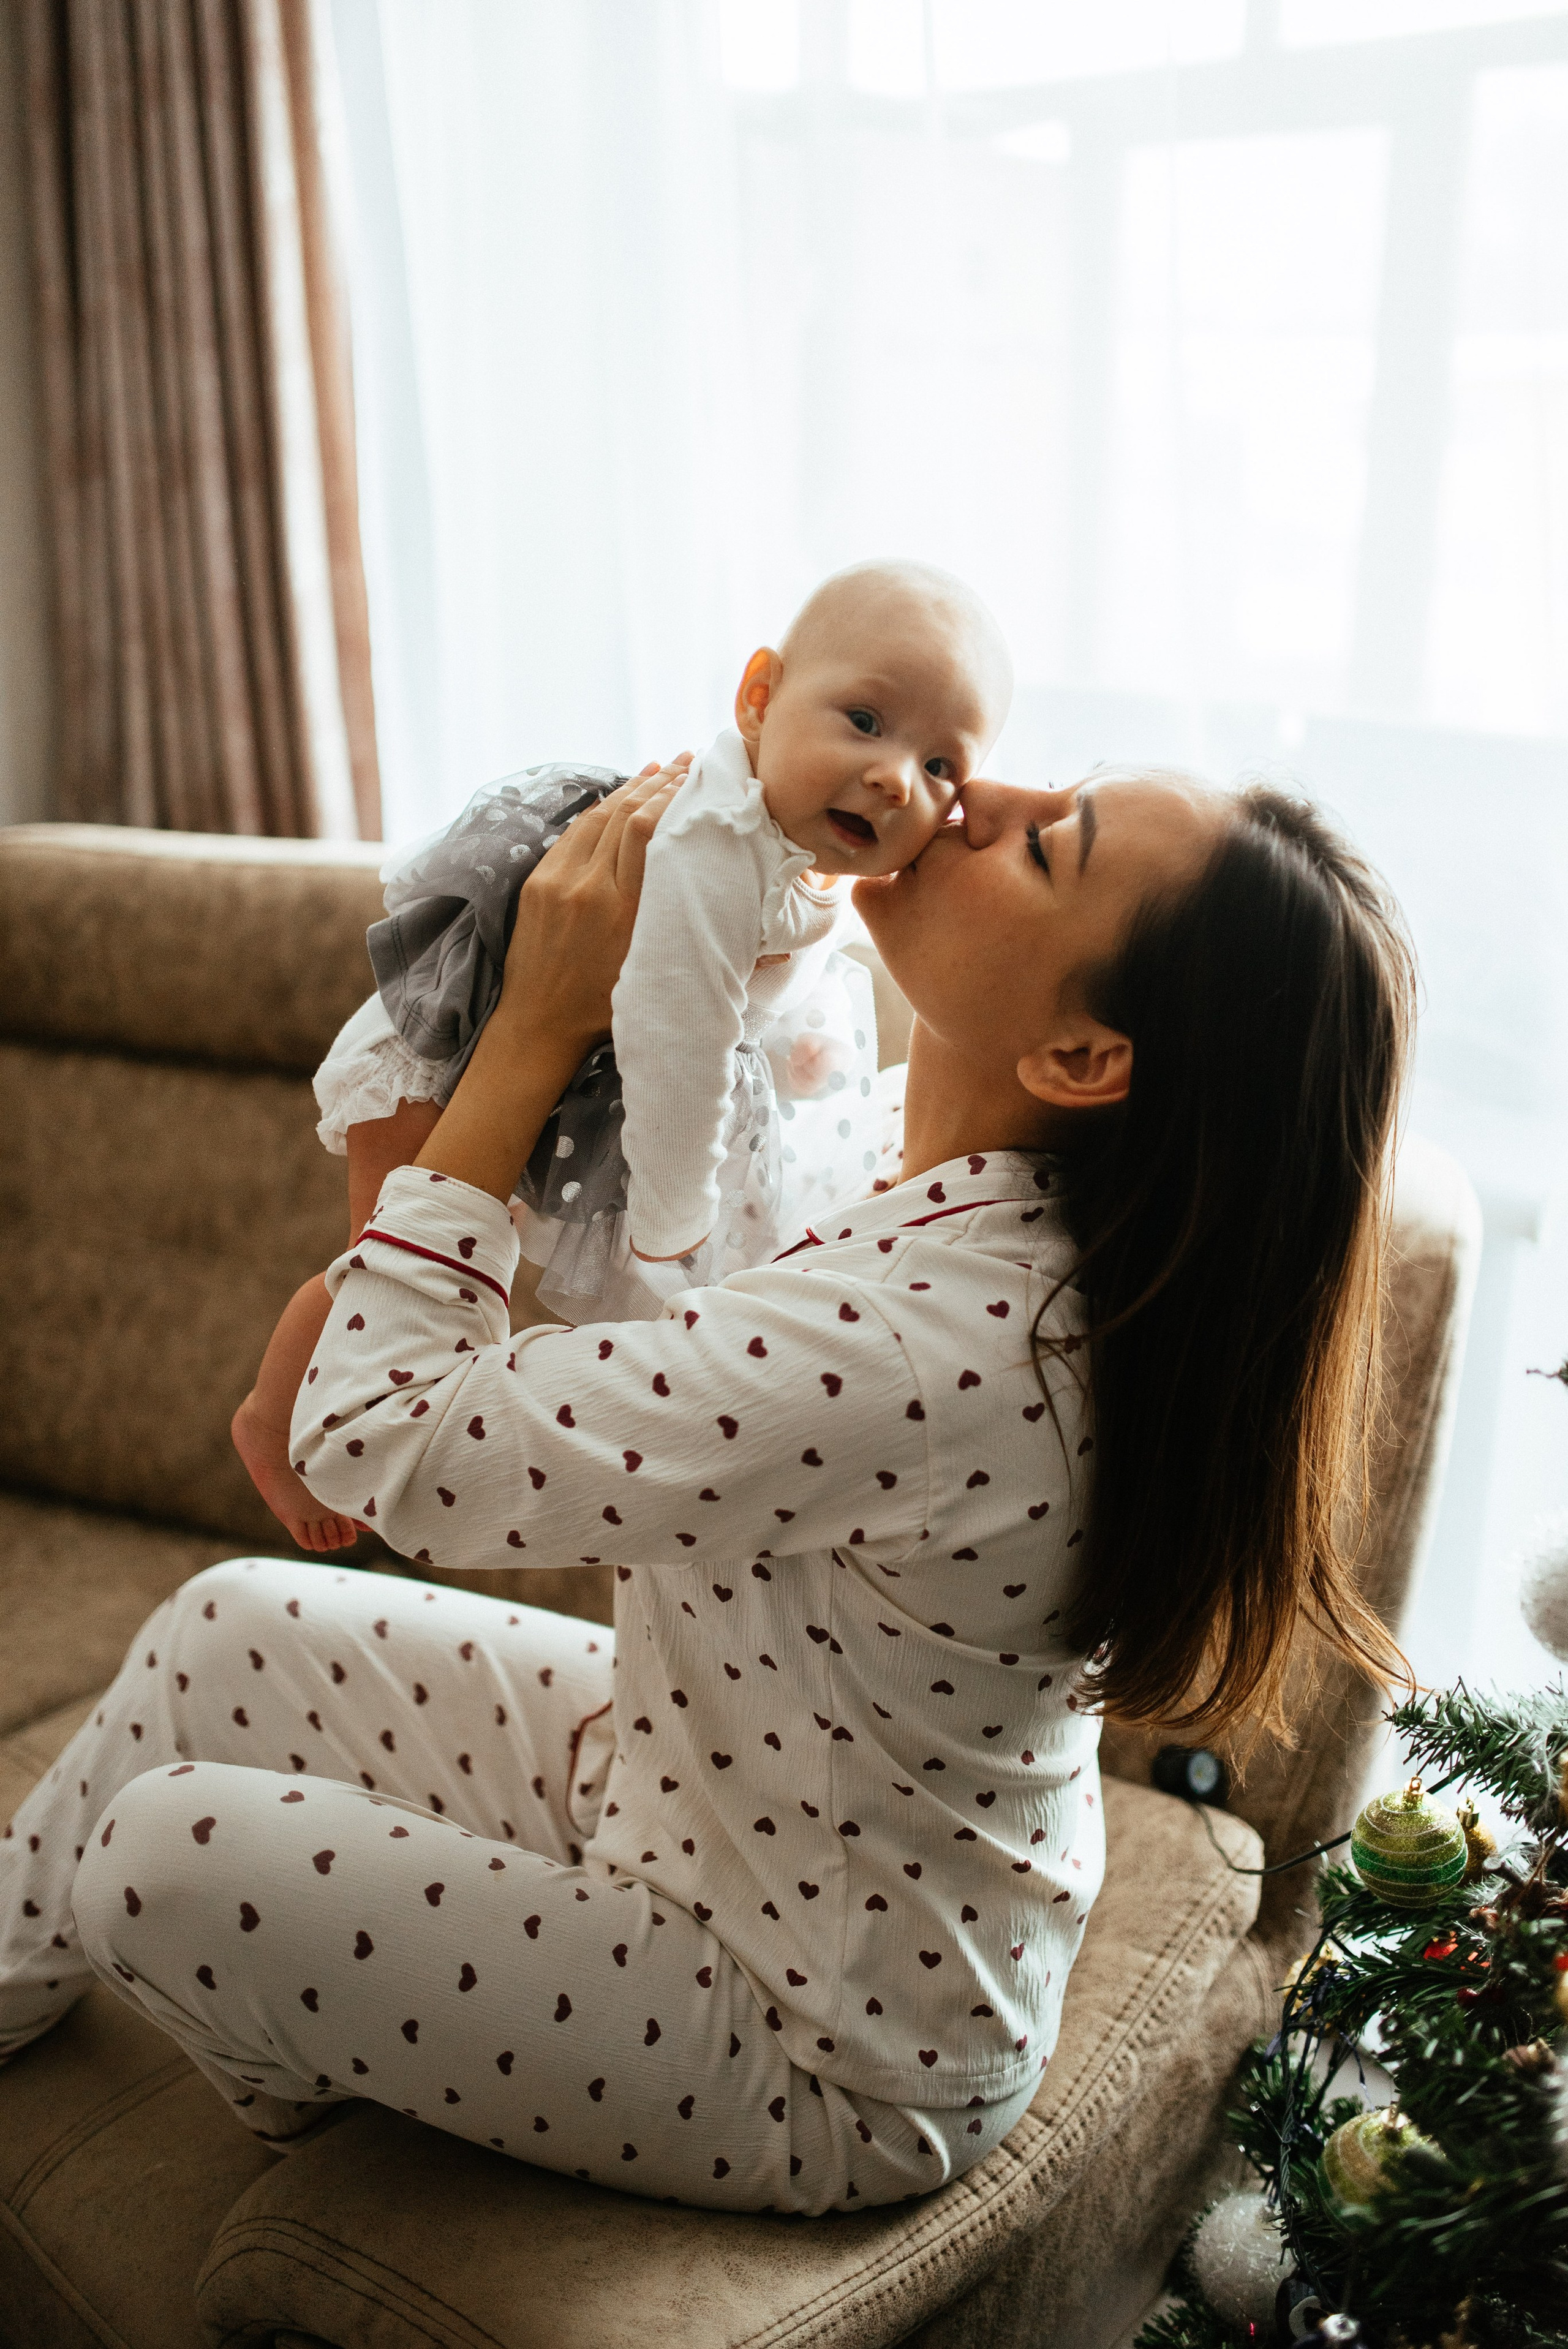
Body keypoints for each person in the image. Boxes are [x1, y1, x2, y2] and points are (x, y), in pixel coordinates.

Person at [0, 759, 1415, 2219]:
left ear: (1078, 1057)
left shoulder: (939, 1352)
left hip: (820, 2044)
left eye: (1046, 845)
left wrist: (537, 1025)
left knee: (162, 1859)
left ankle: (333, 2070)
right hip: (690, 1790)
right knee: (228, 1625)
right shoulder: (918, 1165)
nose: (968, 793)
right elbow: (681, 1208)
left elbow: (376, 1441)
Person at [231, 559, 1013, 1553]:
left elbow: (762, 991)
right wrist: (670, 1225)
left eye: (942, 765)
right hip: (452, 1054)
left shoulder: (796, 854)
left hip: (557, 1082)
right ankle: (270, 1418)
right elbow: (679, 1039)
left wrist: (800, 1055)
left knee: (469, 1272)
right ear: (760, 698)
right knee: (388, 1271)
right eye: (865, 721)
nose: (897, 775)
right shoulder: (716, 847)